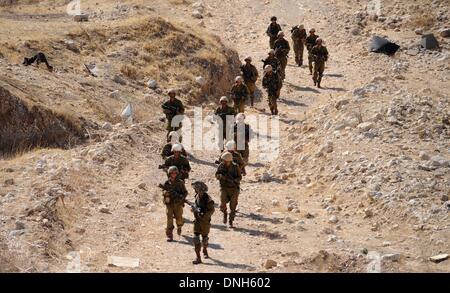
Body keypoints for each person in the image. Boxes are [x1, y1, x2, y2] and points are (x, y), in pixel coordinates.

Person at [159, 166, 188, 242]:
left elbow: (185, 192)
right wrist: (165, 193)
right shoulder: (166, 183)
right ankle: (169, 234)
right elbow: (163, 191)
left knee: (179, 218)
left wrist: (181, 197)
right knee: (169, 217)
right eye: (172, 173)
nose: (174, 174)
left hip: (178, 203)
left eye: (175, 173)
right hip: (169, 203)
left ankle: (179, 226)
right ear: (169, 174)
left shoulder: (180, 182)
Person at [190, 181, 215, 265]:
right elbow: (195, 205)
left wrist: (203, 214)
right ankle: (198, 257)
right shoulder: (196, 196)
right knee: (196, 238)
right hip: (197, 221)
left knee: (204, 238)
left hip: (205, 222)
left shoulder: (208, 199)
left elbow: (212, 210)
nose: (195, 191)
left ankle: (204, 249)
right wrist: (194, 210)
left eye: (196, 189)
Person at [216, 152, 242, 227]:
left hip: (234, 189)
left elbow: (239, 177)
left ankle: (231, 220)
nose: (223, 161)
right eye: (223, 160)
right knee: (222, 203)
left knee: (233, 205)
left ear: (229, 161)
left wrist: (235, 181)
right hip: (224, 187)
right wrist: (220, 176)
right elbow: (217, 174)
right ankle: (225, 213)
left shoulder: (235, 166)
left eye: (225, 160)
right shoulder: (221, 166)